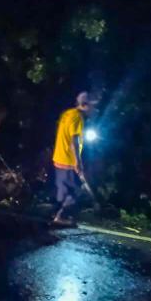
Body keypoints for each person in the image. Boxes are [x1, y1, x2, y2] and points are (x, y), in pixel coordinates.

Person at [52, 91, 100, 226]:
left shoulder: (67, 113)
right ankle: (60, 216)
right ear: (84, 105)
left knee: (63, 190)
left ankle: (56, 213)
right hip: (68, 160)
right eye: (92, 106)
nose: (93, 109)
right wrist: (77, 162)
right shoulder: (78, 118)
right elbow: (74, 141)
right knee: (75, 191)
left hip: (59, 157)